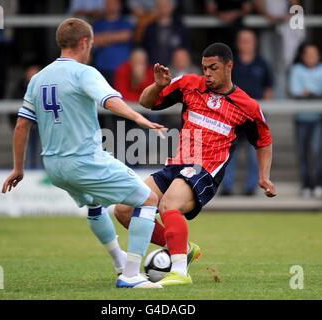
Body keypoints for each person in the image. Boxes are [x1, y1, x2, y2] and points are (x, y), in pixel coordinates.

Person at [1, 18, 166, 289]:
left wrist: (18, 168)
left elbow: (22, 125)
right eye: (90, 43)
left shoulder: (38, 78)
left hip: (54, 166)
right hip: (84, 160)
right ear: (84, 42)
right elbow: (110, 101)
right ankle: (131, 274)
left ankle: (119, 262)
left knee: (94, 203)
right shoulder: (84, 72)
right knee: (147, 200)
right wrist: (139, 117)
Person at [115, 43, 277, 286]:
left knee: (169, 204)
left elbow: (263, 140)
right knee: (124, 210)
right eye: (204, 68)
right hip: (176, 165)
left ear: (229, 66)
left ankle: (180, 272)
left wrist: (264, 176)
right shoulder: (189, 85)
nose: (207, 74)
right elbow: (146, 102)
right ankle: (181, 247)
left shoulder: (247, 106)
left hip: (206, 170)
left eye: (213, 68)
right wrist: (158, 85)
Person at [221, 29, 273, 196]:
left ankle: (252, 187)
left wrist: (263, 113)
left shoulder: (262, 63)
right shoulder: (230, 64)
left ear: (254, 43)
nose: (245, 43)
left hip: (254, 117)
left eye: (248, 40)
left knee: (254, 154)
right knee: (229, 153)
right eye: (242, 40)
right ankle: (227, 187)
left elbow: (268, 89)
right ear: (238, 43)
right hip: (233, 117)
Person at [289, 43, 322, 199]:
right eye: (308, 54)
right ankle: (306, 185)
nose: (311, 57)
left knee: (317, 152)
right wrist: (316, 94)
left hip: (318, 119)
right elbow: (296, 93)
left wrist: (308, 94)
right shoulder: (297, 70)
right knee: (303, 153)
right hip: (301, 118)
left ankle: (319, 184)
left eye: (314, 54)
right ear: (302, 56)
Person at [92, 0, 133, 85]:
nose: (111, 6)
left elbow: (126, 35)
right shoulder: (97, 24)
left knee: (121, 97)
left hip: (122, 69)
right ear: (104, 6)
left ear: (119, 5)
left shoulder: (125, 23)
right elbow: (94, 40)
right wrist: (116, 37)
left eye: (114, 3)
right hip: (101, 68)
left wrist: (104, 37)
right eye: (109, 3)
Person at [142, 0, 189, 66]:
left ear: (171, 6)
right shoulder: (150, 29)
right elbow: (145, 50)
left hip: (175, 70)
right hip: (153, 68)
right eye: (160, 6)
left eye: (165, 5)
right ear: (156, 8)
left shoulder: (180, 28)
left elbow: (186, 50)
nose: (163, 9)